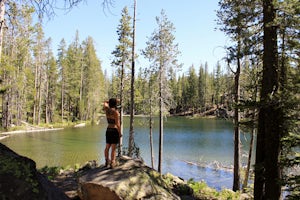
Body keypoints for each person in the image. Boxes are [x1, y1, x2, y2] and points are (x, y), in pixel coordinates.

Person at [103, 98, 122, 168]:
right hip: (114, 130)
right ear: (115, 104)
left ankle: (106, 161)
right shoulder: (116, 112)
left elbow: (105, 102)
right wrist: (119, 132)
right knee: (113, 148)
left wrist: (109, 101)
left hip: (108, 130)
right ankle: (112, 163)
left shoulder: (107, 110)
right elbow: (117, 124)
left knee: (107, 147)